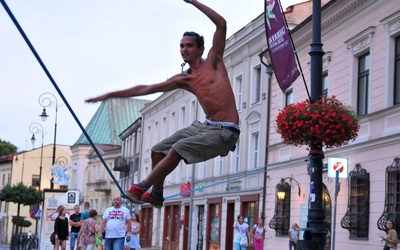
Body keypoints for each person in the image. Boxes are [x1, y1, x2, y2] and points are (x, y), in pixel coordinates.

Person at [85, 0, 240, 208]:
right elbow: (146, 89)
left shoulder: (214, 61)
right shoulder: (184, 79)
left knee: (178, 148)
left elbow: (221, 23)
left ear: (201, 48)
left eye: (189, 46)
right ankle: (157, 194)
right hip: (206, 126)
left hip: (226, 131)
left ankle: (140, 188)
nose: (184, 49)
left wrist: (193, 2)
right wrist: (110, 95)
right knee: (158, 150)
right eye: (181, 46)